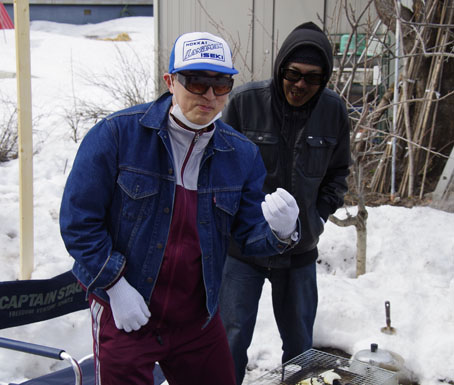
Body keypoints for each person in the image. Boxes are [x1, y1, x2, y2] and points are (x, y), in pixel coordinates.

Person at [59, 31, 300, 385]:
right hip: (128, 314)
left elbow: (249, 236)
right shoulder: (116, 135)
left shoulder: (242, 155)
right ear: (170, 82)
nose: (210, 95)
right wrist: (114, 286)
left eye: (221, 84)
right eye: (196, 82)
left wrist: (281, 232)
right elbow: (79, 222)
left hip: (196, 321)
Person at [219, 22, 351, 384]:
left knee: (299, 345)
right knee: (230, 336)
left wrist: (316, 217)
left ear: (324, 80)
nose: (300, 85)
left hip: (299, 250)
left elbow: (338, 174)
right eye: (293, 74)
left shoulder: (333, 112)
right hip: (243, 247)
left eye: (312, 78)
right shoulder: (245, 103)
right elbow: (220, 168)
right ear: (280, 70)